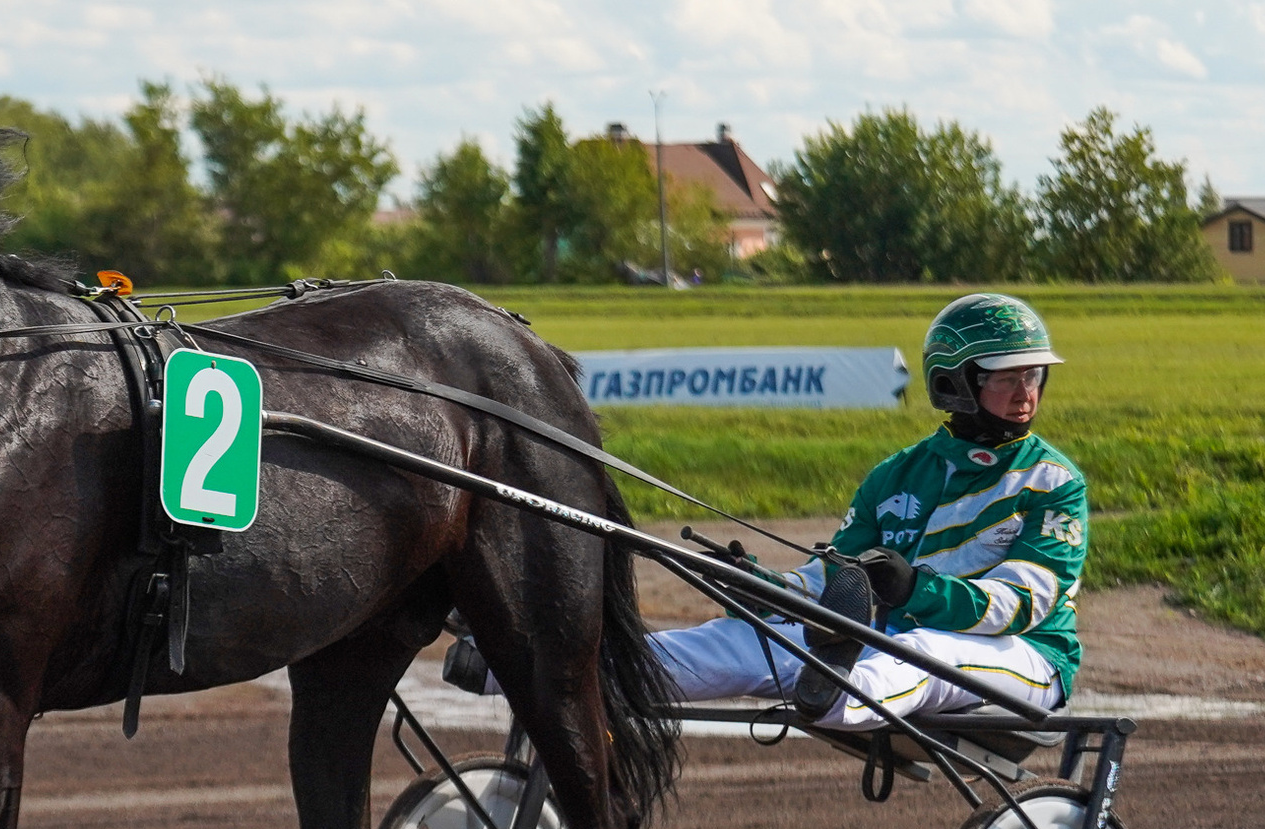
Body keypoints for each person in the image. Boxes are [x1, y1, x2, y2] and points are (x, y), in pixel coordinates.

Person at [449, 292, 1088, 727]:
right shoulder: (895, 475)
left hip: (1023, 655)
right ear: (956, 383)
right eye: (1006, 377)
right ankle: (514, 668)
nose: (1025, 391)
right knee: (727, 641)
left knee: (917, 656)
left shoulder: (1055, 482)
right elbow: (830, 583)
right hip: (874, 642)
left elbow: (1021, 604)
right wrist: (762, 587)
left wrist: (915, 588)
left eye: (1033, 375)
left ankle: (833, 690)